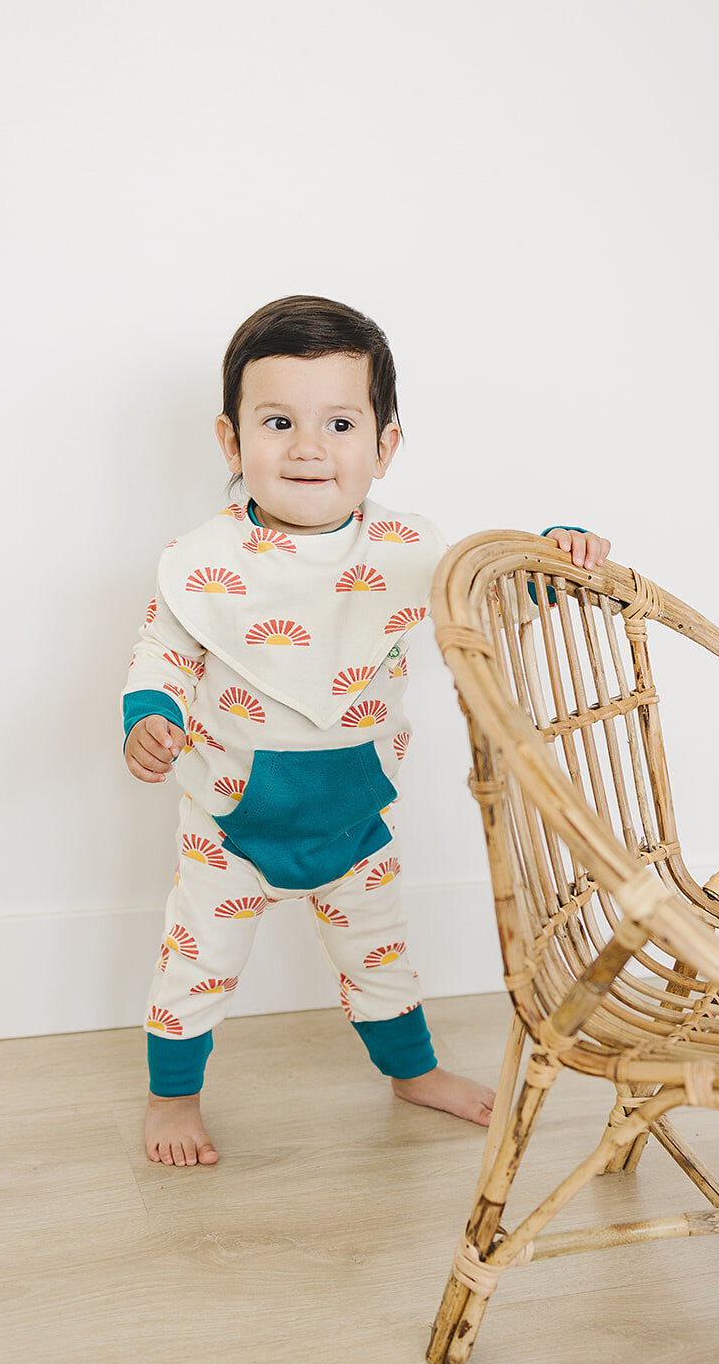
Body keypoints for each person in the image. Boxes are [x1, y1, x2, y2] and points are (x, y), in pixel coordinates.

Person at [124, 295, 610, 1167]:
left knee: (381, 957)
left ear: (384, 445)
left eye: (340, 422)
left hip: (353, 814)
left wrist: (550, 555)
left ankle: (412, 1071)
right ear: (232, 442)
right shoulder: (201, 563)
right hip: (229, 822)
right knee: (197, 965)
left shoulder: (405, 549)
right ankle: (172, 1098)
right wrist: (151, 719)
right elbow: (162, 655)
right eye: (277, 421)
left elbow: (486, 600)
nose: (308, 447)